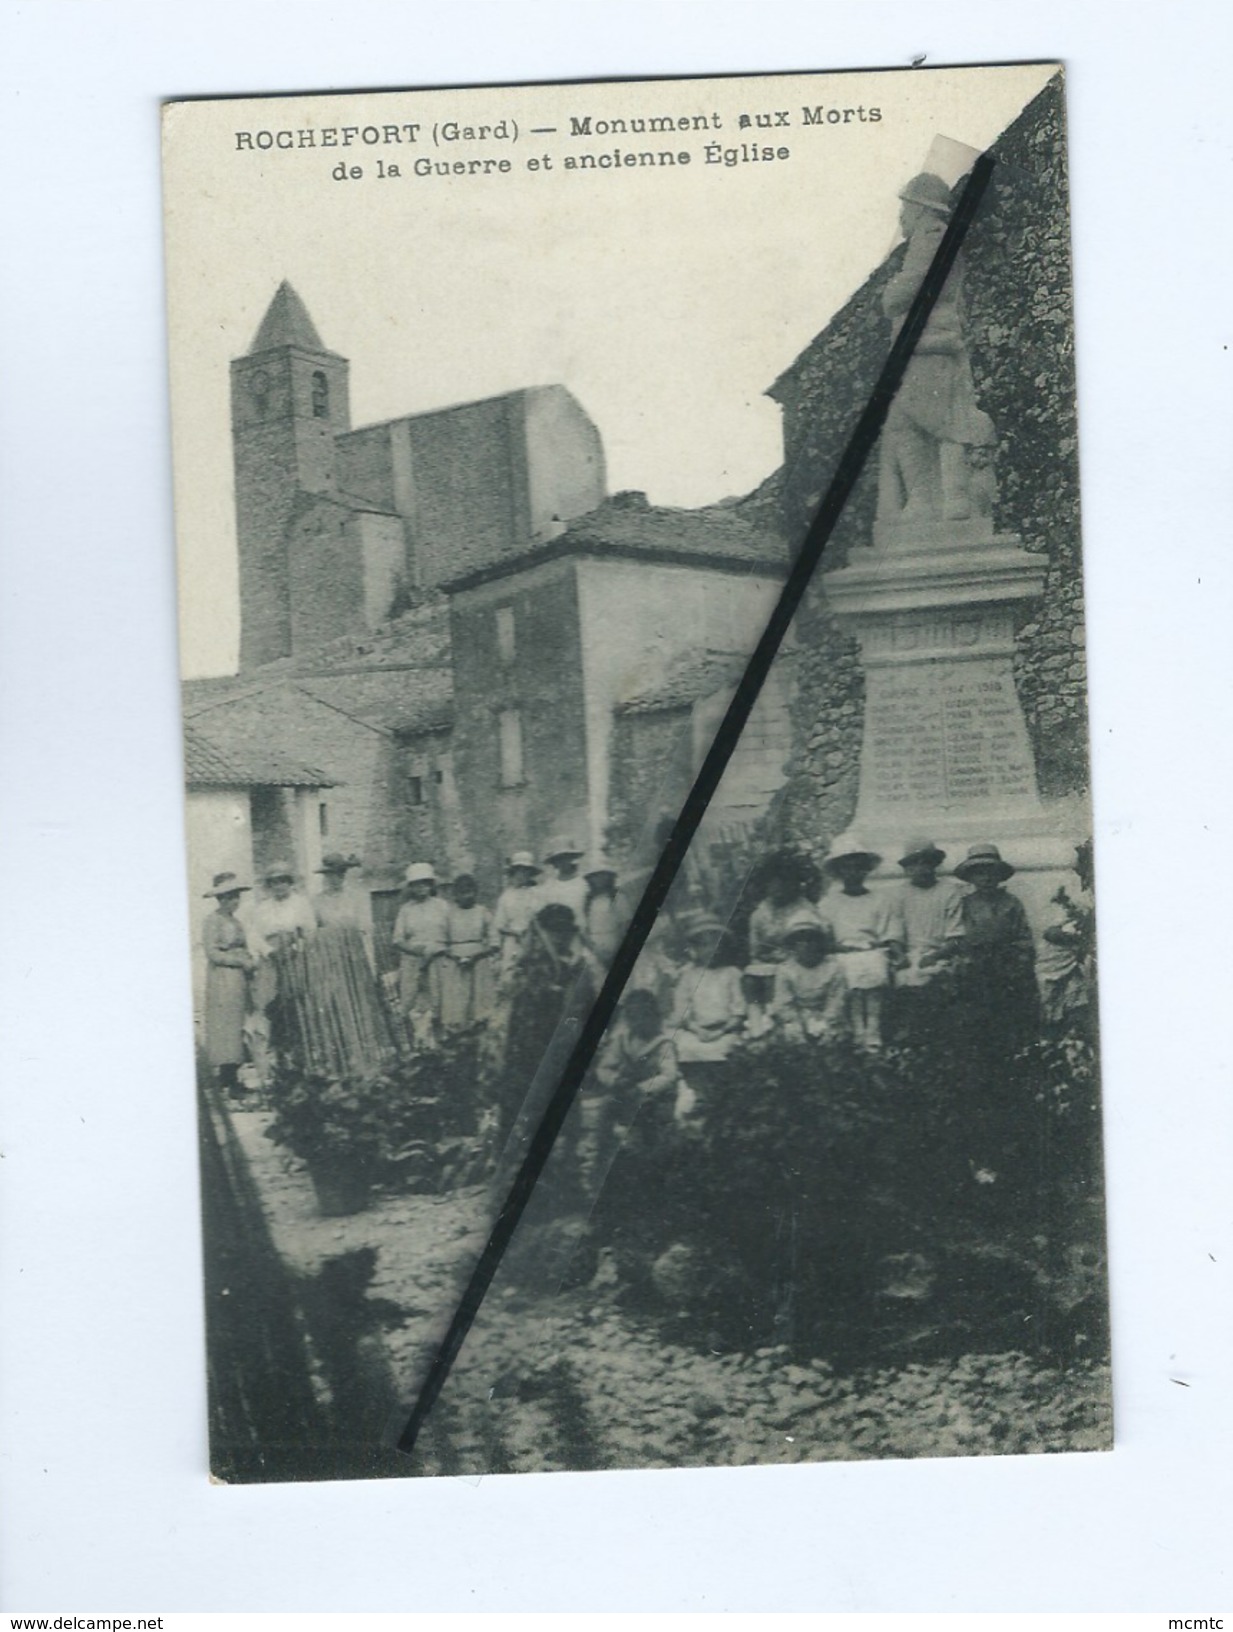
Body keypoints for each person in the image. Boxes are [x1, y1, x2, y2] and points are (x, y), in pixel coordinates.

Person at [876, 170, 996, 528]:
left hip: (929, 344)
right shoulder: (928, 240)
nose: (901, 218)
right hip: (924, 345)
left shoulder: (931, 238)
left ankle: (945, 500)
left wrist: (890, 295)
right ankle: (931, 499)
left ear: (920, 208)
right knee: (911, 419)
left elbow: (910, 289)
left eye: (905, 208)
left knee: (936, 419)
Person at [300, 853, 398, 1078]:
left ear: (344, 875)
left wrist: (370, 963)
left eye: (338, 874)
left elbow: (365, 929)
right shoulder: (317, 901)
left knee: (359, 1004)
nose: (334, 879)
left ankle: (363, 1060)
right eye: (330, 875)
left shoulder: (357, 898)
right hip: (328, 961)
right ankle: (339, 1061)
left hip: (353, 959)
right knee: (334, 1004)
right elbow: (311, 933)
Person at [816, 834, 904, 1053]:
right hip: (842, 952)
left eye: (858, 868)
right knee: (849, 971)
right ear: (839, 872)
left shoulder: (881, 899)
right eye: (847, 868)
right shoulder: (829, 902)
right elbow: (825, 939)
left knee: (874, 966)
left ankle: (872, 1031)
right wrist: (840, 948)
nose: (853, 873)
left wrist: (897, 951)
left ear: (865, 870)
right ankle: (858, 1031)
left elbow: (889, 931)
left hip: (873, 950)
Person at [952, 842, 1039, 1052]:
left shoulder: (1011, 903)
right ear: (971, 878)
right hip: (975, 969)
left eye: (992, 872)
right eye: (980, 873)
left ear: (1000, 876)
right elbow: (956, 936)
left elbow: (1024, 938)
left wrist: (1018, 961)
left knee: (1009, 1020)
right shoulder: (964, 904)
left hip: (1008, 969)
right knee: (977, 1024)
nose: (987, 878)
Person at [892, 837, 967, 1046]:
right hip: (909, 956)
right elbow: (894, 932)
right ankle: (910, 1042)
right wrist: (899, 955)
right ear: (907, 869)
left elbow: (956, 937)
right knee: (903, 979)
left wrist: (935, 955)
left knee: (933, 980)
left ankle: (935, 1040)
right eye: (914, 864)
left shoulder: (949, 891)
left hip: (940, 954)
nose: (920, 868)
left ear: (934, 864)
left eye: (926, 862)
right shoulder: (899, 894)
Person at [249, 860, 318, 1073]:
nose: (279, 886)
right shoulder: (262, 909)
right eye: (274, 883)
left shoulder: (301, 903)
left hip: (296, 959)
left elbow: (310, 931)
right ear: (269, 886)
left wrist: (297, 948)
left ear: (290, 883)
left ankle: (301, 1058)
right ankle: (276, 1060)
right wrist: (269, 952)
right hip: (271, 961)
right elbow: (254, 936)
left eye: (283, 881)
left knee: (297, 1004)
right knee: (271, 1006)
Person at [201, 872, 255, 1097]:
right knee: (225, 1025)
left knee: (236, 1024)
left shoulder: (236, 922)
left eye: (236, 897)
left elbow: (244, 946)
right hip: (222, 976)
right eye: (229, 897)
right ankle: (227, 1079)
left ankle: (233, 1076)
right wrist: (237, 960)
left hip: (238, 978)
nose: (234, 902)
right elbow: (212, 952)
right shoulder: (212, 921)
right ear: (220, 899)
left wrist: (250, 961)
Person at [668, 912, 747, 1064]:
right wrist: (698, 1030)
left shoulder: (732, 973)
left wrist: (720, 1031)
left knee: (726, 1048)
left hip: (725, 1031)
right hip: (697, 1031)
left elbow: (739, 1011)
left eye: (715, 944)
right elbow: (683, 1010)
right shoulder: (688, 975)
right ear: (695, 948)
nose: (711, 949)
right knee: (683, 1047)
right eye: (704, 944)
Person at [1038, 838, 1096, 1037]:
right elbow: (1050, 931)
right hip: (1062, 955)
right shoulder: (1072, 892)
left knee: (1079, 1000)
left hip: (1082, 957)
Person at [392, 861, 450, 1048]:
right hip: (413, 960)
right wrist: (415, 950)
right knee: (414, 1003)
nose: (421, 888)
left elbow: (452, 933)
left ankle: (443, 1044)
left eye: (425, 883)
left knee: (440, 1001)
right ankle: (418, 1045)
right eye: (417, 884)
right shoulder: (406, 910)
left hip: (439, 959)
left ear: (431, 885)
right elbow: (397, 939)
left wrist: (439, 950)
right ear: (411, 887)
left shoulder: (442, 906)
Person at [770, 910, 848, 1044]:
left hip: (826, 1014)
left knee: (834, 1035)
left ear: (819, 942)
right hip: (798, 1016)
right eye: (800, 940)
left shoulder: (833, 967)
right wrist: (797, 1021)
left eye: (811, 939)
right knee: (792, 1034)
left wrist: (825, 1020)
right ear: (793, 945)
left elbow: (836, 1000)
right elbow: (783, 1003)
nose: (806, 945)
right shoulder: (786, 970)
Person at [437, 870, 497, 1034]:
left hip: (479, 961)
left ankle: (480, 1030)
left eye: (470, 892)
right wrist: (455, 957)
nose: (467, 896)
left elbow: (495, 942)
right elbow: (441, 942)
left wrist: (476, 956)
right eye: (462, 893)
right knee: (457, 1003)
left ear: (476, 892)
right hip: (455, 962)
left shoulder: (483, 912)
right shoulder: (448, 914)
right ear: (456, 894)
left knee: (479, 1002)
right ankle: (458, 1035)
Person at [492, 850, 542, 989]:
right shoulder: (506, 896)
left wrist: (531, 932)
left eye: (526, 871)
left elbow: (542, 917)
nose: (522, 875)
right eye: (519, 871)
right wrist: (515, 932)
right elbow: (499, 925)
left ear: (530, 873)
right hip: (513, 941)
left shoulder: (537, 893)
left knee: (534, 977)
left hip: (534, 940)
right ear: (513, 873)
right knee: (511, 978)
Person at [537, 834, 590, 921]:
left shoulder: (584, 884)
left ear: (572, 858)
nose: (563, 862)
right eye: (559, 859)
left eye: (566, 857)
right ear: (554, 862)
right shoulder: (548, 886)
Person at [582, 855, 623, 964]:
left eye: (602, 875)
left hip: (615, 944)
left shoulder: (617, 897)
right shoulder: (588, 901)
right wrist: (596, 950)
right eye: (594, 876)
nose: (598, 879)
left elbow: (625, 925)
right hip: (594, 950)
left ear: (609, 877)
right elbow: (585, 929)